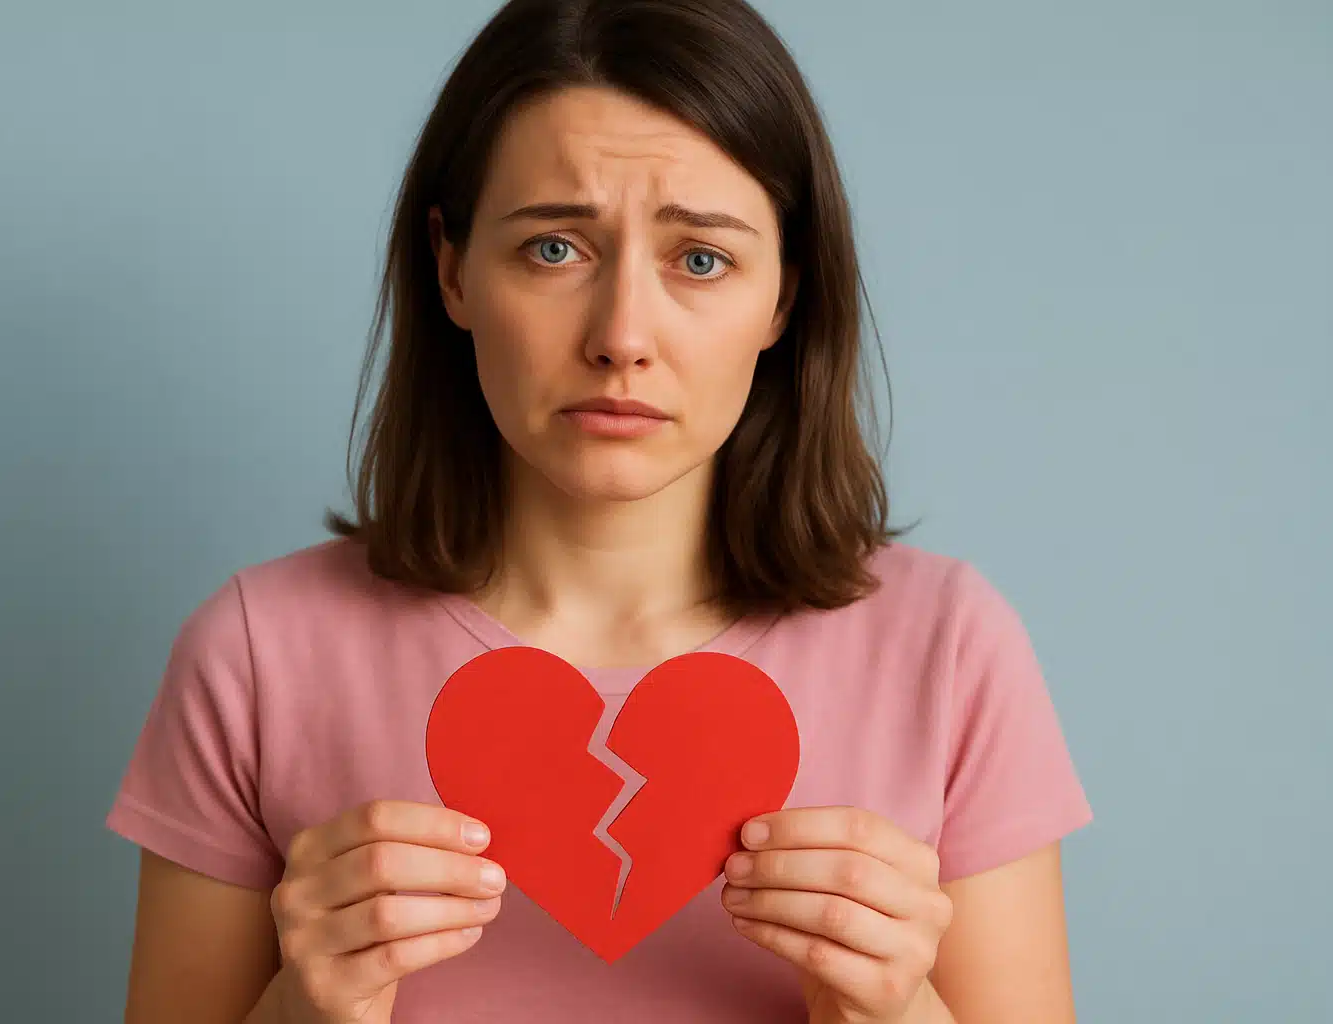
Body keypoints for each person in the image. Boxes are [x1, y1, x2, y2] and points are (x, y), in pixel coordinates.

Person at [107, 0, 1093, 1020]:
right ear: (451, 269)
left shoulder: (949, 651)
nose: (622, 336)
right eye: (554, 249)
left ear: (784, 296)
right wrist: (300, 1011)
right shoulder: (256, 654)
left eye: (700, 259)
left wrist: (892, 1011)